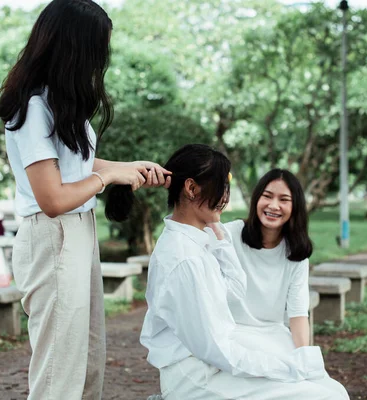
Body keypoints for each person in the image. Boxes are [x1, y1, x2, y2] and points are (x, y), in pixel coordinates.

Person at [0, 1, 169, 399]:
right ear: (73, 48)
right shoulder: (33, 108)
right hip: (53, 234)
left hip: (78, 232)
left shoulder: (59, 103)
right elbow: (53, 197)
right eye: (96, 50)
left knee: (87, 359)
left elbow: (73, 166)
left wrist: (128, 167)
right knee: (61, 369)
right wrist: (106, 176)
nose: (100, 62)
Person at [140, 144, 348, 399]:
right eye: (221, 187)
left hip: (214, 363)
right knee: (325, 397)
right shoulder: (185, 258)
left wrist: (219, 238)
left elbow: (235, 290)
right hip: (196, 377)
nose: (225, 198)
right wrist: (286, 368)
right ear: (192, 188)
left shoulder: (198, 243)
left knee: (332, 389)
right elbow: (216, 349)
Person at [224, 169, 314, 349]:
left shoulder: (296, 253)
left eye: (284, 200)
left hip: (273, 337)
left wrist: (305, 356)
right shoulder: (229, 236)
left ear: (295, 206)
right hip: (229, 335)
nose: (273, 206)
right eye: (267, 196)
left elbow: (298, 315)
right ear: (256, 199)